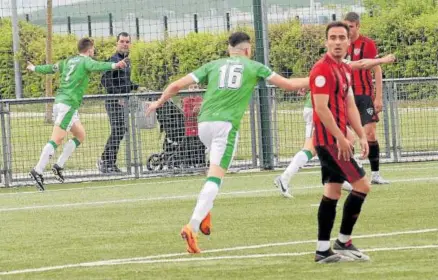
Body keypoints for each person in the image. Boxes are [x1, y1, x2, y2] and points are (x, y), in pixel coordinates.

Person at [146, 31, 309, 254]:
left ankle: (205, 213)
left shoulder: (214, 65)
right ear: (248, 50)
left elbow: (176, 85)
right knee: (216, 177)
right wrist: (319, 79)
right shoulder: (254, 66)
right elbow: (289, 85)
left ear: (228, 49)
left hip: (203, 125)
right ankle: (192, 226)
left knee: (212, 170)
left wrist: (159, 102)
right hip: (226, 126)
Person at [275, 54, 396, 198]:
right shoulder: (337, 63)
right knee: (311, 148)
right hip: (317, 110)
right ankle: (285, 178)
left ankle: (339, 176)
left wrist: (306, 86)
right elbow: (362, 64)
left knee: (349, 138)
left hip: (322, 109)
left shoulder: (335, 66)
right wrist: (382, 60)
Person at [28, 38, 127, 191]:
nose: (93, 52)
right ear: (89, 49)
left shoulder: (68, 61)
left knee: (80, 135)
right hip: (68, 104)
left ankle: (58, 165)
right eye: (93, 49)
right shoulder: (86, 61)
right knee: (57, 139)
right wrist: (116, 64)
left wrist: (35, 68)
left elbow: (51, 68)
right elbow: (98, 65)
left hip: (63, 103)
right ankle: (37, 171)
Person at [310, 21, 371, 263]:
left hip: (336, 140)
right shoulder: (322, 70)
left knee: (333, 192)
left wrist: (362, 134)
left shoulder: (344, 68)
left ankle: (323, 249)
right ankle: (343, 242)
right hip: (329, 142)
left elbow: (349, 104)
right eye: (332, 38)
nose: (337, 42)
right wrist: (341, 138)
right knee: (363, 185)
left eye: (341, 38)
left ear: (349, 41)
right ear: (326, 42)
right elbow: (321, 109)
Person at [344, 12, 389, 184]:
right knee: (347, 136)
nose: (348, 30)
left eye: (351, 26)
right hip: (346, 96)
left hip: (364, 96)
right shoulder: (341, 43)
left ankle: (376, 174)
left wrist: (378, 98)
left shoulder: (367, 44)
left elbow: (377, 69)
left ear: (358, 26)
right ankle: (351, 174)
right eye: (346, 26)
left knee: (370, 133)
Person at [97, 32, 140, 173]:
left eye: (127, 41)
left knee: (120, 130)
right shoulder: (113, 60)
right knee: (118, 129)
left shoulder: (127, 61)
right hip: (114, 101)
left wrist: (137, 87)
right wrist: (117, 96)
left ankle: (110, 162)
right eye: (122, 41)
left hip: (124, 102)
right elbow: (105, 80)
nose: (125, 44)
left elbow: (124, 82)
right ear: (117, 43)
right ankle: (105, 160)